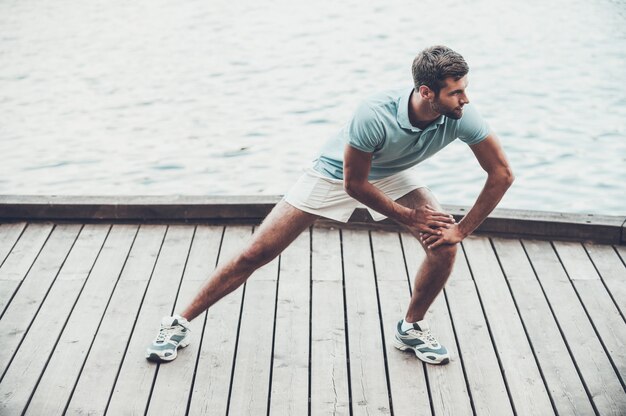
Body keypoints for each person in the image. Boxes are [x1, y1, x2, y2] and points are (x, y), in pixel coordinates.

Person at [145, 45, 514, 365]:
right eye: (456, 92)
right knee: (257, 252)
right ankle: (177, 323)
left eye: (466, 89)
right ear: (426, 92)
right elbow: (354, 184)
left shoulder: (461, 115)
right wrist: (407, 216)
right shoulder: (374, 113)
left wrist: (460, 230)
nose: (465, 99)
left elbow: (501, 174)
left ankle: (412, 326)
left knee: (443, 246)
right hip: (335, 173)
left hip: (394, 172)